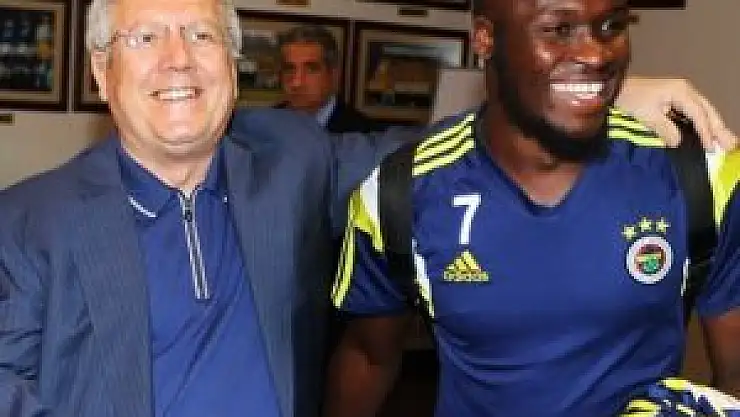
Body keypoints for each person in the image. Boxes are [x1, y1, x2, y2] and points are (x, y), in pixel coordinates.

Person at [0, 1, 736, 417]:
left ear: (232, 65)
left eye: (200, 35)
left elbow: (446, 153)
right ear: (100, 70)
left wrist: (583, 93)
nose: (177, 60)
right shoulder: (27, 223)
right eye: (144, 38)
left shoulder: (293, 161)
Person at [325, 1, 740, 417]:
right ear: (485, 38)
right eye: (559, 29)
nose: (596, 54)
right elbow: (368, 356)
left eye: (611, 26)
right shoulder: (402, 194)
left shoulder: (697, 175)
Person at [274, 24, 386, 133]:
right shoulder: (266, 125)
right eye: (289, 69)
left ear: (334, 74)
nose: (296, 83)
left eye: (311, 70)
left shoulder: (368, 135)